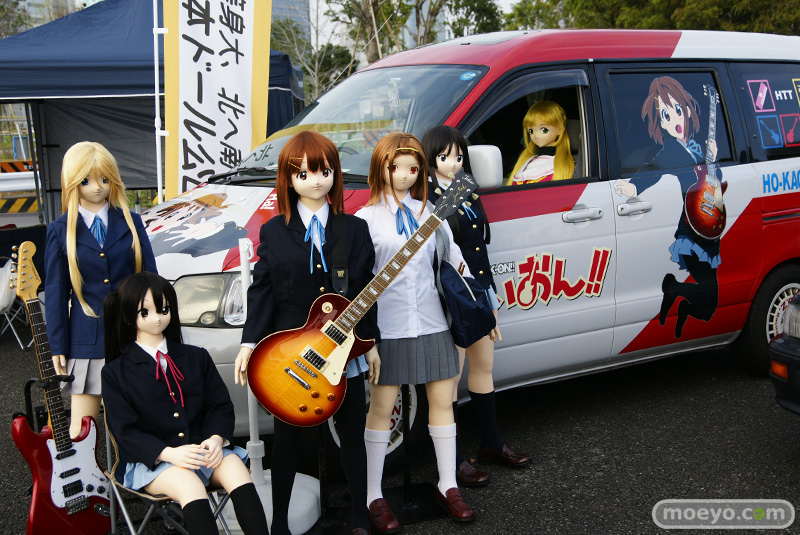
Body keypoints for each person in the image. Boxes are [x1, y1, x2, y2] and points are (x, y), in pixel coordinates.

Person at [234, 130, 380, 535]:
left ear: (335, 174)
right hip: (290, 355)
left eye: (324, 171)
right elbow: (262, 290)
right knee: (286, 441)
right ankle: (279, 524)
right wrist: (249, 342)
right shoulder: (273, 231)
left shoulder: (354, 229)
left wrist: (370, 343)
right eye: (304, 173)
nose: (316, 180)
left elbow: (367, 289)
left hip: (344, 352)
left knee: (352, 435)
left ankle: (359, 516)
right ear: (289, 178)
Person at [355, 132, 476, 531]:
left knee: (443, 402)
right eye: (396, 167)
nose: (405, 175)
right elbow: (358, 279)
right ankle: (373, 494)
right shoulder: (366, 220)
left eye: (413, 168)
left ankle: (447, 484)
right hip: (387, 327)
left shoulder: (431, 213)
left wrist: (479, 309)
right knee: (381, 409)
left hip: (432, 320)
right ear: (381, 168)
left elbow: (454, 261)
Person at [101, 271, 268, 535]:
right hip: (153, 461)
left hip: (203, 450)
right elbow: (125, 430)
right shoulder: (115, 373)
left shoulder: (197, 357)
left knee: (237, 471)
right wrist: (168, 453)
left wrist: (216, 439)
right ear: (127, 316)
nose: (157, 317)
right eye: (145, 312)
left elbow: (219, 405)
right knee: (190, 485)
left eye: (164, 309)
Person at [422, 125, 532, 488]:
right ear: (430, 158)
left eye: (458, 156)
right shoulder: (423, 197)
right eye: (444, 156)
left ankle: (491, 444)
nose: (453, 163)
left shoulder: (466, 189)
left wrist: (490, 297)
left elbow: (480, 250)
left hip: (478, 290)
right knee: (450, 379)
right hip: (451, 297)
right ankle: (451, 460)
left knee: (484, 367)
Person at [44, 141, 157, 439]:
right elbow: (56, 295)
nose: (97, 187)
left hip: (133, 334)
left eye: (105, 179)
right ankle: (83, 472)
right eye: (86, 180)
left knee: (136, 426)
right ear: (72, 182)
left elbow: (150, 280)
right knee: (81, 431)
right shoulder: (60, 231)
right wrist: (58, 346)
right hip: (86, 338)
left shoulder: (131, 222)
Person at [615, 76, 723, 338]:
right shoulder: (672, 151)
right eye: (665, 115)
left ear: (687, 110)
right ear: (661, 123)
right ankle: (673, 288)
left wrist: (713, 157)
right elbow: (653, 167)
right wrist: (633, 186)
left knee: (710, 308)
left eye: (677, 110)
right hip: (692, 228)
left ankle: (679, 297)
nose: (674, 119)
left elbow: (714, 181)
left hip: (707, 224)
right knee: (710, 297)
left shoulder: (697, 147)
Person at [507, 100, 574, 185]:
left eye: (543, 130)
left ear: (560, 130)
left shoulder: (562, 167)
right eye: (531, 131)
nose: (536, 135)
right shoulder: (526, 162)